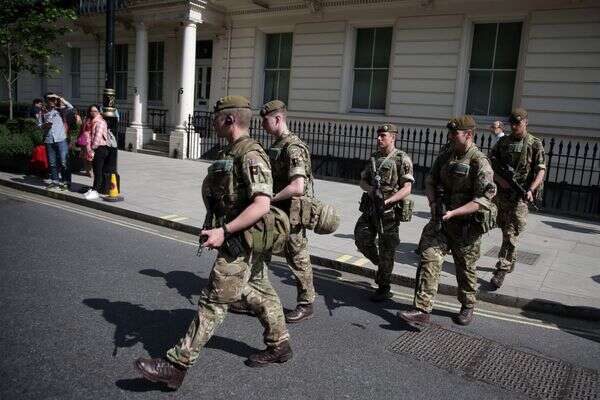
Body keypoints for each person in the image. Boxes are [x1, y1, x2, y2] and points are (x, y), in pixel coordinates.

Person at [134, 96, 292, 390]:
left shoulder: (250, 154)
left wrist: (224, 231)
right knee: (259, 290)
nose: (212, 121)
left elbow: (261, 204)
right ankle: (279, 344)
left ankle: (176, 365)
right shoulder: (231, 150)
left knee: (213, 301)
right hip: (240, 237)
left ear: (229, 119)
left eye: (216, 117)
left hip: (242, 240)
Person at [398, 116, 496, 327]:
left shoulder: (479, 161)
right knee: (429, 258)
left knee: (465, 269)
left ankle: (468, 304)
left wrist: (455, 213)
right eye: (449, 133)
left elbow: (483, 199)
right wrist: (433, 202)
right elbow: (430, 180)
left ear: (468, 134)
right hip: (441, 222)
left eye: (454, 133)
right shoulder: (445, 156)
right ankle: (422, 310)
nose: (450, 137)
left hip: (466, 226)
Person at [261, 99, 316, 322]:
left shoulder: (293, 147)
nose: (262, 125)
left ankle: (306, 303)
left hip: (291, 213)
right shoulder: (278, 144)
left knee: (297, 257)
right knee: (261, 249)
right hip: (276, 212)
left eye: (265, 120)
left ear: (277, 119)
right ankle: (254, 296)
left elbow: (298, 186)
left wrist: (269, 199)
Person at [354, 124, 414, 302]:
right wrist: (371, 190)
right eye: (378, 135)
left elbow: (407, 188)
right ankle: (382, 263)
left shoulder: (402, 158)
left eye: (383, 136)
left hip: (389, 212)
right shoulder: (374, 158)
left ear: (393, 137)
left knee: (387, 248)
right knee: (361, 238)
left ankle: (383, 286)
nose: (379, 139)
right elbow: (362, 182)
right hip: (371, 208)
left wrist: (387, 201)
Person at [489, 108, 546, 289]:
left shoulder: (534, 143)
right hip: (503, 194)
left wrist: (531, 189)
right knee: (504, 227)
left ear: (526, 122)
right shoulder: (503, 142)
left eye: (518, 123)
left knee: (511, 231)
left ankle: (502, 268)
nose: (514, 127)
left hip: (521, 195)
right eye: (512, 123)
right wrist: (500, 180)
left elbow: (541, 170)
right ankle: (510, 260)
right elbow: (490, 163)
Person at [38, 94, 72, 190]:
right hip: (49, 139)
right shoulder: (42, 112)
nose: (52, 101)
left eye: (53, 99)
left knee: (64, 161)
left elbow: (71, 107)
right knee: (52, 162)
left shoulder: (60, 110)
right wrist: (44, 126)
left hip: (61, 139)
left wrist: (59, 97)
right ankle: (55, 181)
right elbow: (39, 125)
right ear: (46, 101)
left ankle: (66, 182)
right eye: (50, 99)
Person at [85, 105, 109, 200]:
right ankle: (95, 188)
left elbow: (98, 137)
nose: (93, 113)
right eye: (91, 111)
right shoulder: (93, 122)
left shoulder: (100, 122)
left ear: (99, 112)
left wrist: (92, 149)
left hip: (100, 148)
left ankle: (96, 190)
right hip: (97, 148)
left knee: (98, 171)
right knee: (96, 170)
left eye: (95, 111)